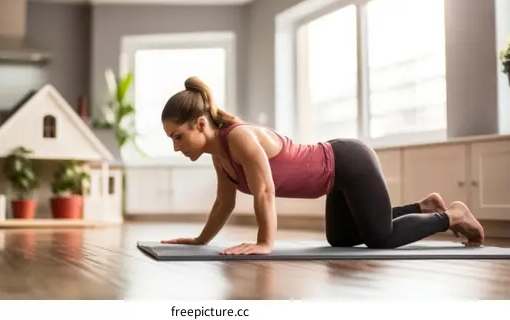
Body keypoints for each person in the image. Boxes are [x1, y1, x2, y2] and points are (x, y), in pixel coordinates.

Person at [160, 76, 485, 255]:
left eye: (178, 137)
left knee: (380, 239)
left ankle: (451, 215)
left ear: (200, 124)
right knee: (340, 239)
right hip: (334, 179)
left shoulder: (239, 138)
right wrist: (201, 239)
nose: (176, 147)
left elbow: (265, 191)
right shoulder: (220, 156)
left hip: (348, 161)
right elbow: (224, 203)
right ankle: (423, 206)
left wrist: (264, 243)